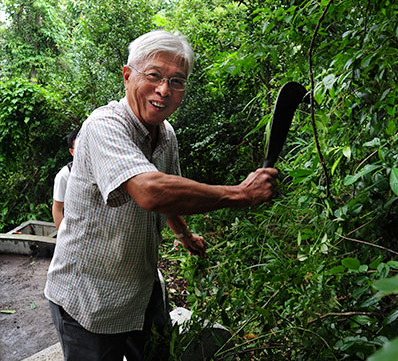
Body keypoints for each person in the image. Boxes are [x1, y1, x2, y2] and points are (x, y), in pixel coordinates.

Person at [44, 29, 278, 360]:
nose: (164, 89)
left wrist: (183, 234)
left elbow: (168, 192)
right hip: (89, 298)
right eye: (154, 75)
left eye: (177, 81)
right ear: (127, 76)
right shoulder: (102, 126)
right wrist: (240, 193)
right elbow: (150, 191)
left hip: (141, 289)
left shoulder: (166, 134)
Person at [51, 127, 80, 230]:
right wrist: (62, 238)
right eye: (79, 148)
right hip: (74, 231)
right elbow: (57, 209)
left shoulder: (98, 170)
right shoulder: (64, 175)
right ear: (72, 152)